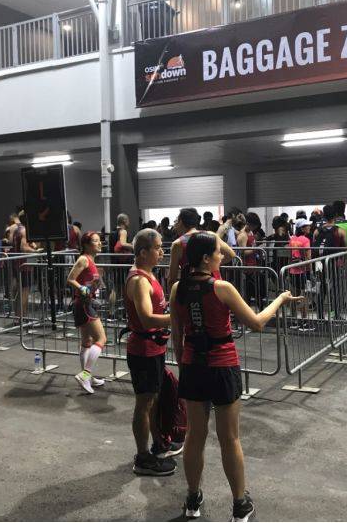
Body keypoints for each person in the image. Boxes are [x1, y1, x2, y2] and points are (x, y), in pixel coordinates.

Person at [169, 232, 300, 522]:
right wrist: (280, 299)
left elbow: (176, 336)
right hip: (222, 365)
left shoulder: (178, 288)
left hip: (192, 365)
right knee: (230, 438)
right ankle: (240, 505)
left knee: (194, 436)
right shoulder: (222, 288)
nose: (222, 256)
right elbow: (257, 323)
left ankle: (192, 498)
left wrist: (184, 365)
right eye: (217, 252)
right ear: (206, 258)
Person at [124, 229, 180, 476]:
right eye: (157, 248)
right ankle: (142, 456)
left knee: (154, 399)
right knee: (144, 403)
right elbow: (146, 319)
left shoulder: (149, 275)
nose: (162, 252)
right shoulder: (139, 280)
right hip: (143, 351)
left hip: (153, 348)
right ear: (143, 252)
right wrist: (176, 318)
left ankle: (158, 443)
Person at [67, 232, 106, 394]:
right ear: (86, 245)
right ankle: (85, 375)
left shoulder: (91, 260)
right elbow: (70, 278)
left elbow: (91, 282)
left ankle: (87, 377)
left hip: (86, 303)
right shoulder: (83, 259)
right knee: (101, 339)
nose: (100, 243)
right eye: (96, 241)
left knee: (87, 342)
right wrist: (81, 288)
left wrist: (96, 285)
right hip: (83, 304)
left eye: (99, 241)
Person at [168, 208, 234, 286]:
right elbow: (231, 254)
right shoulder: (211, 235)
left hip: (191, 287)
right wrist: (212, 263)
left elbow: (172, 279)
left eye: (176, 221)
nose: (175, 225)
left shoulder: (177, 244)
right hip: (215, 284)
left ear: (181, 222)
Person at [11, 211, 40, 320]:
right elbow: (24, 247)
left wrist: (33, 245)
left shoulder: (17, 230)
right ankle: (21, 317)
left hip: (18, 263)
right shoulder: (25, 230)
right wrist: (36, 252)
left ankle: (20, 316)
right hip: (24, 265)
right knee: (24, 292)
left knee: (20, 291)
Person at [287, 218, 312, 329]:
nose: (309, 227)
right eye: (307, 226)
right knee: (303, 296)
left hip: (292, 271)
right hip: (302, 272)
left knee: (294, 296)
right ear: (302, 228)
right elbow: (308, 258)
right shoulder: (305, 240)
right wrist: (310, 272)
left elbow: (290, 255)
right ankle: (304, 322)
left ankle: (294, 321)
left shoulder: (292, 239)